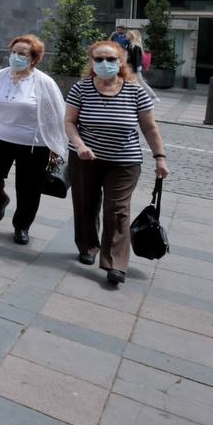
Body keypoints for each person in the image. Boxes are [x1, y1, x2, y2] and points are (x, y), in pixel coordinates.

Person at [64, 40, 170, 286]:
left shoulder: (135, 91)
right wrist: (80, 145)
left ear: (121, 62)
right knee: (85, 204)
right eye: (99, 59)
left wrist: (160, 157)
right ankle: (88, 245)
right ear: (91, 62)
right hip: (84, 159)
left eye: (111, 59)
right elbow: (69, 121)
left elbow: (149, 127)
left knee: (117, 209)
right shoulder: (81, 88)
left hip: (124, 161)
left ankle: (115, 263)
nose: (105, 63)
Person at [0, 35, 68, 245]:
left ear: (34, 58)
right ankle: (0, 200)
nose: (16, 56)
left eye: (22, 53)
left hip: (33, 143)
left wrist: (55, 144)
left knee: (29, 188)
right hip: (0, 136)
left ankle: (22, 226)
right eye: (13, 52)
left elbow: (54, 115)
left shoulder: (44, 83)